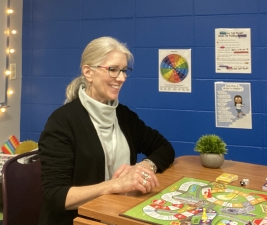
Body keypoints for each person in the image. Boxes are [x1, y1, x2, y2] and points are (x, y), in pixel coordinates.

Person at [38, 36, 175, 225]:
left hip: (116, 215)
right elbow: (55, 196)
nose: (122, 78)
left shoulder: (123, 115)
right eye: (113, 70)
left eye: (124, 70)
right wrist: (115, 185)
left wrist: (144, 167)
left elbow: (164, 147)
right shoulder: (61, 122)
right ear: (88, 72)